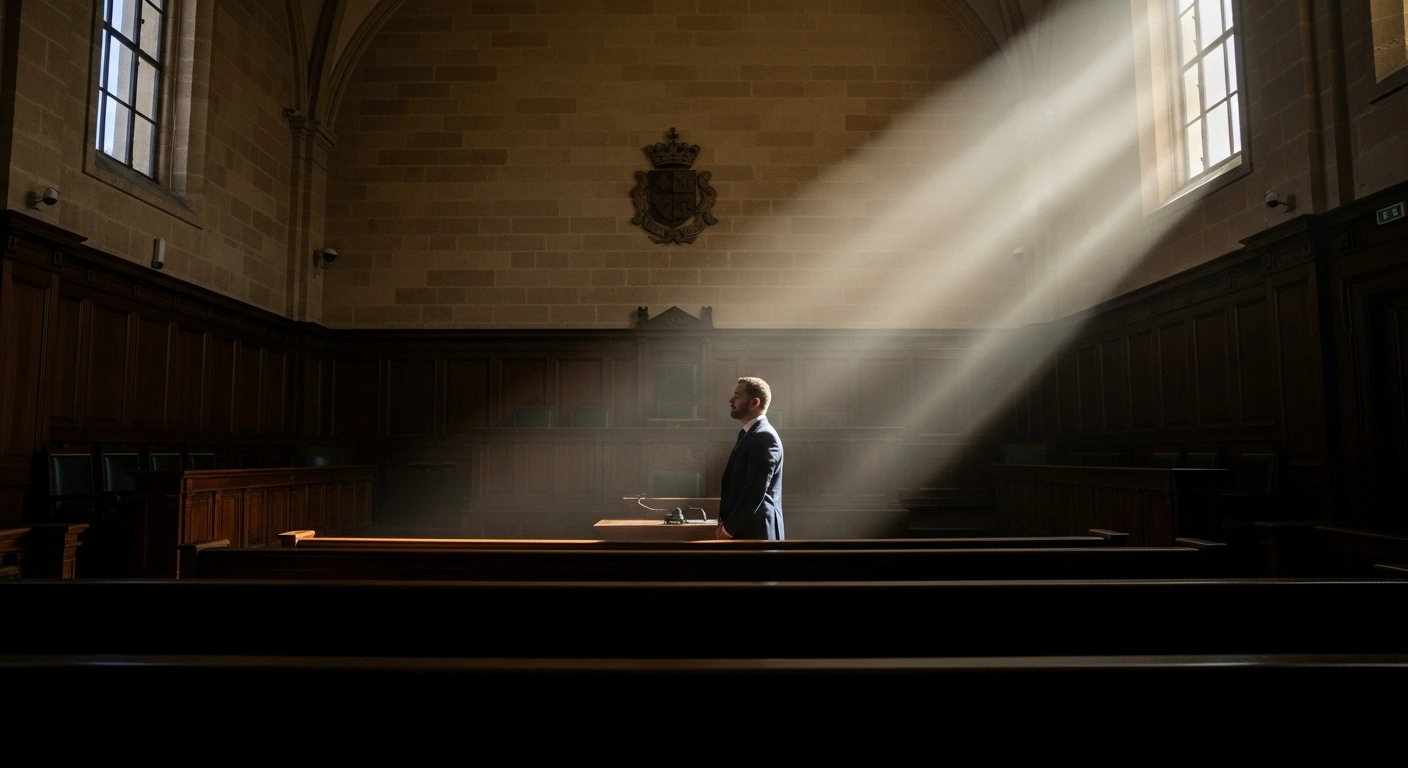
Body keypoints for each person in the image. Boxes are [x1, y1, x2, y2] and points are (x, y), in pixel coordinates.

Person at [717, 377, 785, 540]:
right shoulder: (752, 434)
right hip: (749, 532)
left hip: (757, 535)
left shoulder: (764, 436)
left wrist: (729, 529)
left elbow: (755, 490)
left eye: (738, 396)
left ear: (754, 403)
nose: (731, 400)